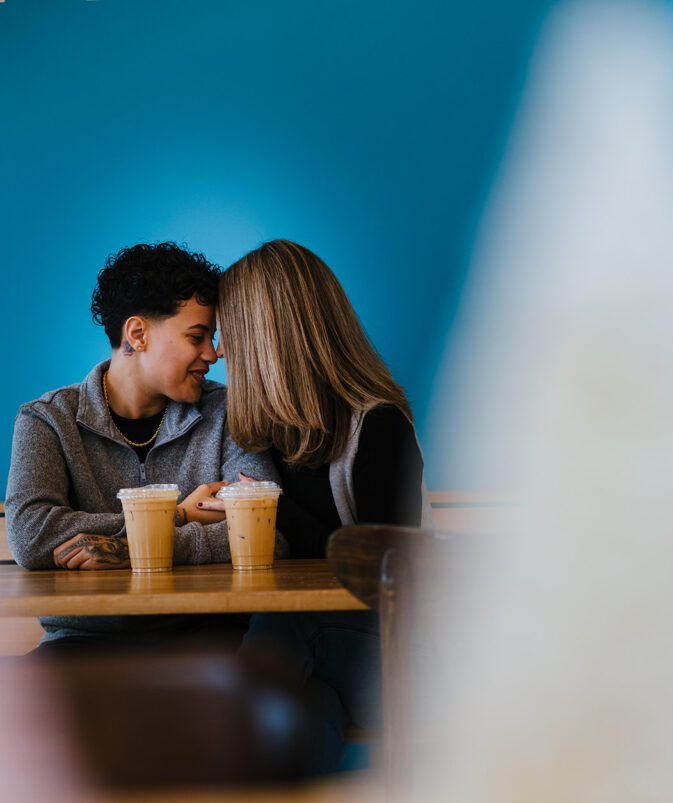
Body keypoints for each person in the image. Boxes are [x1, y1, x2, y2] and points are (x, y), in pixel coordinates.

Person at [205, 239, 432, 768]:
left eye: (228, 335)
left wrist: (272, 510)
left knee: (292, 622)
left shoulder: (378, 429)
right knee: (307, 707)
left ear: (267, 339)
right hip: (320, 665)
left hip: (402, 659)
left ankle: (217, 781)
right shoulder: (264, 439)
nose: (220, 353)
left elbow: (386, 579)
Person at [4, 241, 279, 648]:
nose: (213, 354)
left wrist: (128, 550)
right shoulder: (47, 420)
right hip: (81, 642)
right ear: (137, 334)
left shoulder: (230, 414)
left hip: (208, 640)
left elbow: (266, 531)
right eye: (197, 336)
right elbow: (31, 536)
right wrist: (181, 516)